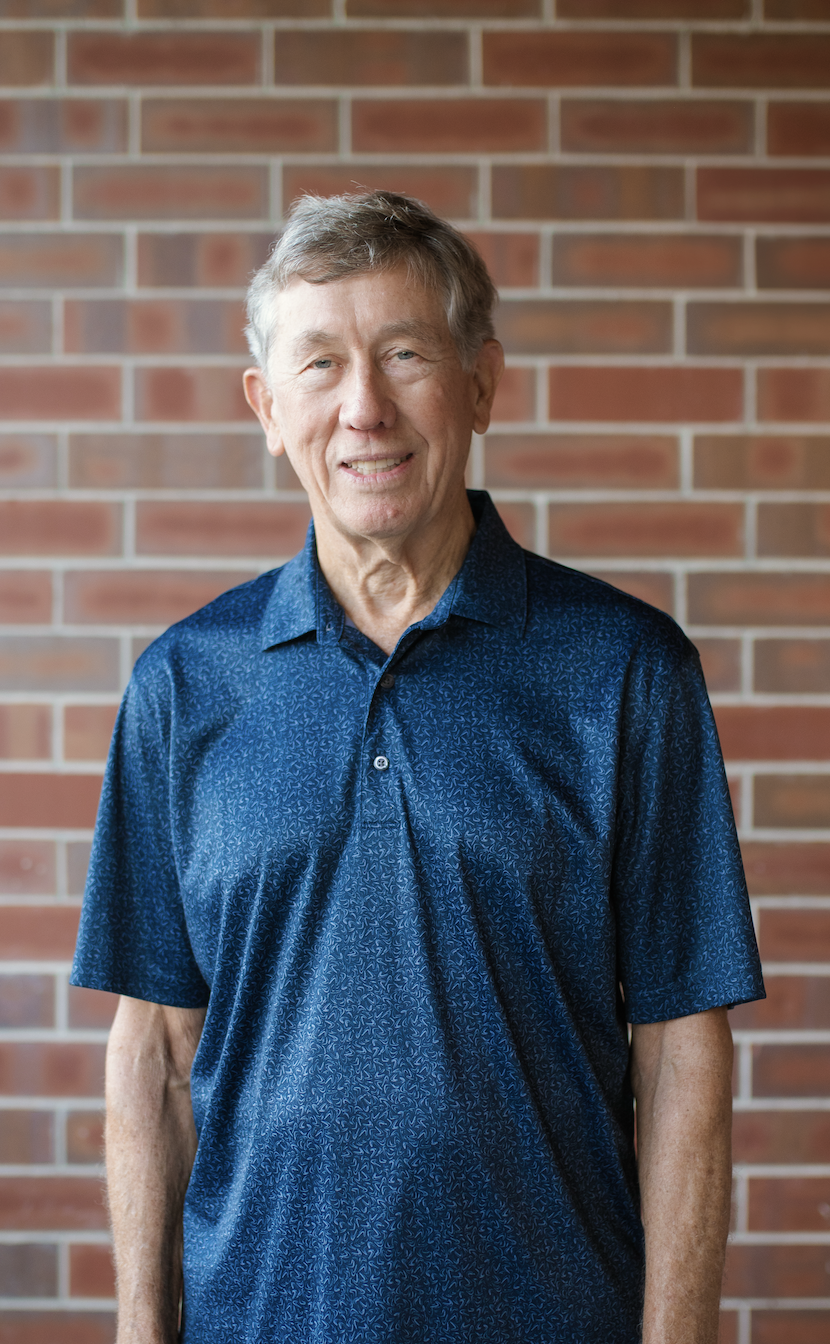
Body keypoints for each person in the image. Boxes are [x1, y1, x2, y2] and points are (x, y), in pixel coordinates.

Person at [71, 190, 764, 1344]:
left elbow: (683, 1045)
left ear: (481, 384)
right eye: (320, 366)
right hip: (258, 1320)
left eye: (404, 354)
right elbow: (151, 1050)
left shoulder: (624, 673)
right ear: (265, 407)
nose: (363, 409)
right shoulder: (184, 688)